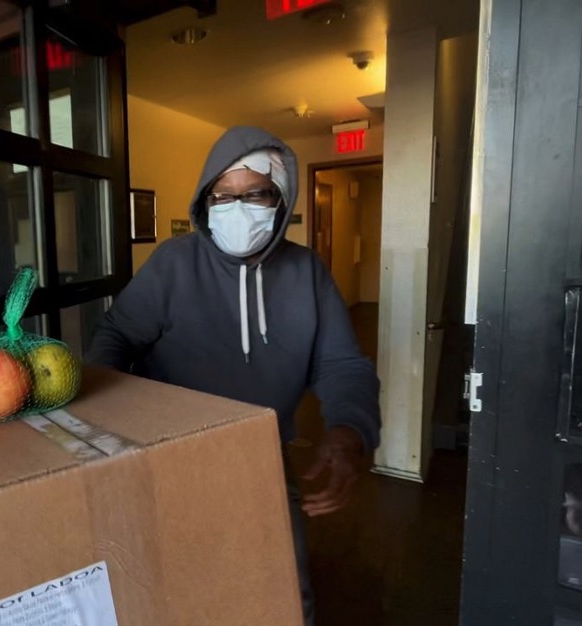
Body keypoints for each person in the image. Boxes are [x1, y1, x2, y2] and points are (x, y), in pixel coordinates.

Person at [87, 126, 381, 625]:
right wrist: (104, 422)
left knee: (283, 591)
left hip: (262, 454)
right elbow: (116, 336)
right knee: (179, 586)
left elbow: (342, 364)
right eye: (222, 196)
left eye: (254, 194)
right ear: (205, 201)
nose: (236, 209)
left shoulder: (306, 272)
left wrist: (350, 431)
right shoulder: (174, 264)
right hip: (170, 456)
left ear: (280, 198)